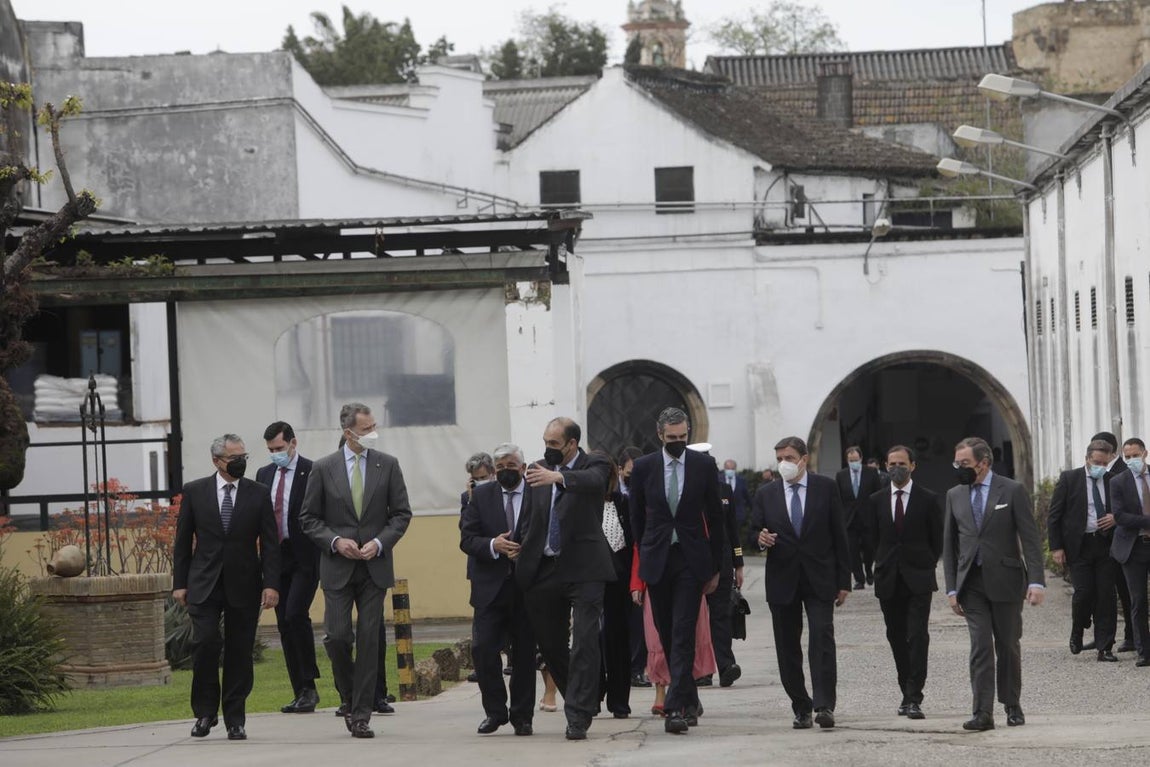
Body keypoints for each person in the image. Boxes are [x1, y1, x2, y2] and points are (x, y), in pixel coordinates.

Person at [300, 402, 412, 739]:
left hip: (374, 568)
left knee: (368, 641)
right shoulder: (324, 468)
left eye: (374, 427)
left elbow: (401, 514)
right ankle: (349, 695)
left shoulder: (388, 465)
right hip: (337, 567)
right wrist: (335, 541)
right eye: (366, 430)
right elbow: (308, 519)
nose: (373, 434)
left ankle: (361, 714)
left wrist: (380, 543)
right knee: (337, 638)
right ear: (348, 433)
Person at [173, 434, 279, 741]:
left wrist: (271, 584)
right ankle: (205, 713)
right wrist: (179, 583)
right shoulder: (195, 491)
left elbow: (270, 544)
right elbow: (182, 541)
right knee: (205, 644)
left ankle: (235, 718)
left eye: (244, 456)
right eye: (235, 458)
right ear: (217, 461)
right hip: (203, 583)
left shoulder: (258, 493)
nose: (241, 462)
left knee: (239, 651)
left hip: (244, 584)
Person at [516, 416, 614, 741]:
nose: (548, 449)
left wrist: (558, 477)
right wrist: (515, 548)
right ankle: (585, 693)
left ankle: (578, 715)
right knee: (552, 645)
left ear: (571, 444)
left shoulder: (594, 462)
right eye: (545, 442)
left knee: (584, 641)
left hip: (585, 568)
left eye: (554, 444)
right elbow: (529, 518)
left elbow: (594, 482)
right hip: (545, 569)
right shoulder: (537, 468)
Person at [630, 408, 724, 735]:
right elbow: (637, 519)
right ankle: (692, 697)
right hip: (658, 559)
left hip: (691, 559)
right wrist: (645, 555)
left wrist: (718, 567)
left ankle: (676, 707)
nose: (677, 443)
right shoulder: (643, 468)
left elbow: (715, 517)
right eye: (671, 438)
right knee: (667, 631)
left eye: (683, 437)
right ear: (660, 435)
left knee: (683, 630)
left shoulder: (702, 465)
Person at [943, 436, 1045, 732]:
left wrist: (1037, 581)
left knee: (1008, 645)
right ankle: (982, 712)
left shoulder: (1011, 490)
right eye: (957, 463)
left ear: (984, 463)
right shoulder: (954, 495)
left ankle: (1011, 703)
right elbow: (949, 546)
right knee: (980, 646)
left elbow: (1030, 539)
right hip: (970, 584)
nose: (959, 468)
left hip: (1006, 580)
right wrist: (952, 589)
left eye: (965, 464)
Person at [755, 435, 850, 730]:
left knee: (822, 639)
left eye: (790, 458)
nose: (784, 463)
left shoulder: (825, 488)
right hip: (782, 580)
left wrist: (843, 580)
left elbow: (839, 535)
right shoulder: (766, 493)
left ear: (804, 459)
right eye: (780, 458)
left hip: (819, 578)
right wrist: (759, 539)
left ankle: (824, 706)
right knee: (787, 646)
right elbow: (751, 531)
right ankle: (801, 705)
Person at [459, 442, 536, 736]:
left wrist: (525, 550)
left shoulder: (536, 494)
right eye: (500, 467)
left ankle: (522, 716)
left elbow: (547, 533)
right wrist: (494, 545)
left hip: (527, 588)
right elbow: (467, 539)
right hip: (489, 588)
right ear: (494, 470)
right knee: (482, 649)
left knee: (525, 655)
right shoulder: (481, 496)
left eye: (511, 466)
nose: (505, 471)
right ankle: (495, 711)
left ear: (523, 468)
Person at [866, 445, 942, 719]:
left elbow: (937, 540)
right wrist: (883, 561)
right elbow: (873, 538)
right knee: (896, 636)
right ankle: (904, 689)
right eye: (891, 463)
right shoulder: (876, 500)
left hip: (919, 578)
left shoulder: (928, 499)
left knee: (917, 636)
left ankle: (914, 696)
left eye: (901, 463)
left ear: (912, 465)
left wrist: (924, 562)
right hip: (888, 578)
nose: (896, 468)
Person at [256, 422, 321, 714]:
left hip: (306, 557)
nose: (275, 454)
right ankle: (300, 692)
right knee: (283, 623)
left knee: (296, 613)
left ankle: (310, 683)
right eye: (270, 450)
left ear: (293, 443)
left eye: (279, 449)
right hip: (275, 558)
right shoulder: (264, 474)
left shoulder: (313, 471)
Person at [1047, 439, 1119, 661]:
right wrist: (1056, 547)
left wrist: (1115, 518)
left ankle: (1104, 647)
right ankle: (1078, 630)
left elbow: (1124, 507)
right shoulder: (1070, 479)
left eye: (1104, 463)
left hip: (1106, 544)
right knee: (1083, 593)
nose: (1100, 466)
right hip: (1079, 546)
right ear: (1087, 459)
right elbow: (1055, 515)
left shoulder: (1113, 480)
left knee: (1106, 595)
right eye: (1096, 462)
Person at [699, 445, 744, 689]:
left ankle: (726, 665)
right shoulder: (687, 490)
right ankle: (702, 671)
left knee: (720, 616)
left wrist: (739, 563)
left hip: (723, 561)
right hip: (695, 562)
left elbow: (732, 529)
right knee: (697, 619)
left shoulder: (724, 489)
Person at [598, 451, 634, 719]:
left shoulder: (624, 503)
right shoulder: (580, 504)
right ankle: (593, 695)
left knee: (619, 643)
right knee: (591, 643)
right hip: (591, 583)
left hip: (620, 584)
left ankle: (620, 700)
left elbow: (634, 542)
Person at [1095, 430, 1137, 653]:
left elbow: (1133, 503)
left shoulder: (1123, 470)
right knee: (1105, 592)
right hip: (1104, 544)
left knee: (1128, 592)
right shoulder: (1102, 472)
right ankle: (1103, 636)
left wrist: (1115, 517)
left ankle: (1132, 636)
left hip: (1125, 541)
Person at [1109, 437, 1150, 665]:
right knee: (1138, 600)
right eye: (1127, 457)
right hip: (1133, 548)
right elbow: (1120, 516)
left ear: (1145, 453)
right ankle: (1144, 650)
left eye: (1135, 455)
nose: (1132, 460)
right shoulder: (1118, 482)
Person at [617, 445, 651, 690]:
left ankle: (638, 668)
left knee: (639, 619)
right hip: (617, 562)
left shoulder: (647, 492)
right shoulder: (612, 495)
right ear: (620, 470)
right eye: (630, 472)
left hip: (640, 559)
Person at [835, 446, 881, 590]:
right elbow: (838, 499)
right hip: (849, 520)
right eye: (850, 460)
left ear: (861, 459)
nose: (853, 462)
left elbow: (878, 494)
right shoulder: (841, 475)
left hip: (867, 517)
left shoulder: (871, 473)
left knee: (869, 548)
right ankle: (859, 579)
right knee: (852, 550)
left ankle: (869, 570)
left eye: (855, 459)